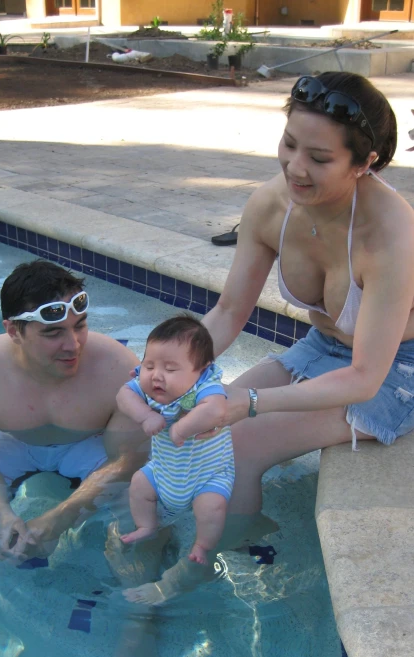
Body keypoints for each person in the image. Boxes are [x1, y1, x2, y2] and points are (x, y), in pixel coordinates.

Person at [115, 71, 414, 607]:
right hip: (322, 348)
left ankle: (220, 580)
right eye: (290, 144)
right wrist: (162, 369)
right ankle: (180, 534)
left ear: (365, 164)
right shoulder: (271, 206)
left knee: (239, 445)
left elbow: (366, 378)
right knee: (185, 425)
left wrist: (248, 402)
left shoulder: (391, 234)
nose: (296, 167)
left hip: (395, 371)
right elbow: (229, 312)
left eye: (320, 159)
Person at [0, 259, 162, 657]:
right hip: (15, 441)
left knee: (141, 499)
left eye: (81, 326)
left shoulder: (116, 366)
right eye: (53, 332)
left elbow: (128, 459)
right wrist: (3, 517)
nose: (73, 344)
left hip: (90, 445)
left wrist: (62, 516)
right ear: (13, 330)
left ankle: (140, 618)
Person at [117, 316, 234, 567]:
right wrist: (145, 415)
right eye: (149, 366)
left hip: (208, 475)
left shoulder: (205, 385)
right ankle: (147, 526)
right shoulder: (146, 385)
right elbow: (123, 394)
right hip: (163, 470)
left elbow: (216, 410)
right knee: (139, 484)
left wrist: (182, 429)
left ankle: (203, 545)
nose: (156, 376)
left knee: (212, 508)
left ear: (201, 369)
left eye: (170, 369)